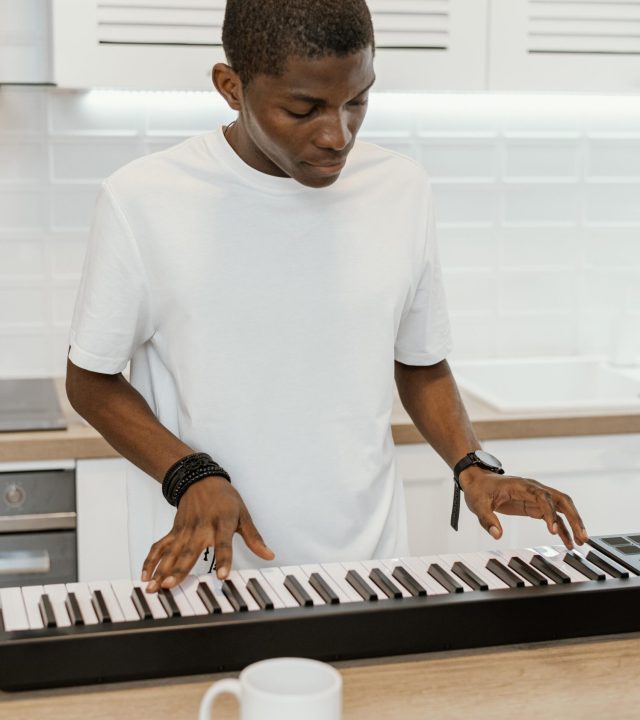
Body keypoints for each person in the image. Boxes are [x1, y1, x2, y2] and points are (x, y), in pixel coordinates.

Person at [65, 0, 588, 595]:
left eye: (357, 101)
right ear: (231, 87)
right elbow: (91, 381)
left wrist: (472, 464)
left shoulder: (400, 189)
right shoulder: (143, 199)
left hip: (369, 573)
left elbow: (421, 362)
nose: (337, 134)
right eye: (304, 108)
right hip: (212, 574)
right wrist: (188, 474)